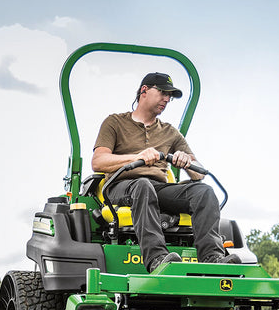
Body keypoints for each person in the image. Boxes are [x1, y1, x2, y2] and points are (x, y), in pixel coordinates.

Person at [92, 72, 241, 272]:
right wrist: (138, 157)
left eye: (169, 96)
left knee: (204, 191)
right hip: (121, 186)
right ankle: (157, 259)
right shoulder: (115, 123)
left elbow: (199, 174)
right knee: (143, 186)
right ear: (144, 90)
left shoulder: (170, 131)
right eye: (162, 92)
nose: (167, 99)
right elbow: (98, 161)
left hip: (158, 188)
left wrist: (186, 161)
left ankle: (213, 257)